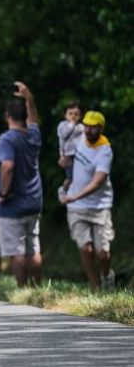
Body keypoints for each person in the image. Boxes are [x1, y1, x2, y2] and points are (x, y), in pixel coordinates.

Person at [0, 82, 42, 287]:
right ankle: (37, 288)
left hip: (12, 204)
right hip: (34, 201)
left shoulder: (7, 140)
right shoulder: (33, 135)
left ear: (7, 116)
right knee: (34, 248)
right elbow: (34, 120)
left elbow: (8, 166)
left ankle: (22, 290)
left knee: (17, 251)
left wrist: (3, 193)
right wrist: (28, 97)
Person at [59, 111, 115, 291]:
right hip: (76, 208)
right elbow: (64, 140)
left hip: (100, 207)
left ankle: (107, 276)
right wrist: (65, 161)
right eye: (87, 126)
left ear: (100, 128)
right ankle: (95, 288)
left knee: (102, 253)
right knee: (86, 249)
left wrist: (75, 195)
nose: (88, 130)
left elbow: (98, 181)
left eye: (93, 127)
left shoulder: (105, 150)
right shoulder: (79, 137)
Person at [57, 101, 84, 194]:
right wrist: (71, 124)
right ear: (65, 115)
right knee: (71, 177)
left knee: (80, 176)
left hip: (78, 155)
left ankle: (76, 193)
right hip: (67, 155)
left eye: (76, 114)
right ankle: (63, 190)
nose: (73, 116)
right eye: (70, 113)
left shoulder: (81, 127)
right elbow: (64, 135)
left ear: (80, 116)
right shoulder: (62, 125)